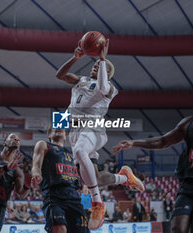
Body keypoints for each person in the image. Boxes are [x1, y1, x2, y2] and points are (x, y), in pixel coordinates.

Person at [113, 83, 193, 233]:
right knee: (177, 228)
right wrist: (133, 142)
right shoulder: (189, 122)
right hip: (188, 184)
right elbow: (163, 141)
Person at [56, 38, 144, 229]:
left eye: (99, 65)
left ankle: (98, 203)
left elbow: (103, 87)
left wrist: (103, 59)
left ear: (107, 72)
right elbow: (59, 75)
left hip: (94, 129)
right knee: (91, 177)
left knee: (80, 152)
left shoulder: (111, 89)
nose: (95, 65)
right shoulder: (82, 81)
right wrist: (74, 58)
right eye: (95, 63)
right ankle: (123, 177)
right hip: (76, 131)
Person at [31, 128, 89, 233]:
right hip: (54, 195)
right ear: (49, 134)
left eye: (62, 129)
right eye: (54, 128)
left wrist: (85, 185)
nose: (59, 129)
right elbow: (36, 165)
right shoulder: (44, 145)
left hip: (74, 197)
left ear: (65, 136)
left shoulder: (72, 156)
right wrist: (36, 174)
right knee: (59, 229)